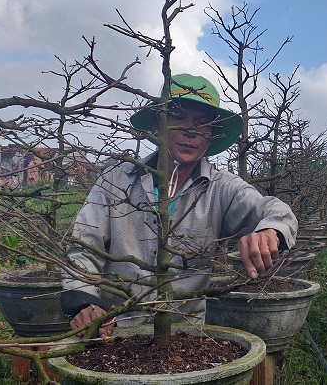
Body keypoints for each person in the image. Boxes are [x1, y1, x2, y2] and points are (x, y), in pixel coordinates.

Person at [61, 73, 298, 337]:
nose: (190, 131)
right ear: (157, 125)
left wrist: (270, 232)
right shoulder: (115, 181)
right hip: (115, 329)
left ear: (212, 135)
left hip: (185, 334)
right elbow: (84, 245)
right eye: (178, 118)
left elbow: (275, 211)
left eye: (201, 123)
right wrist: (85, 301)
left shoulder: (222, 188)